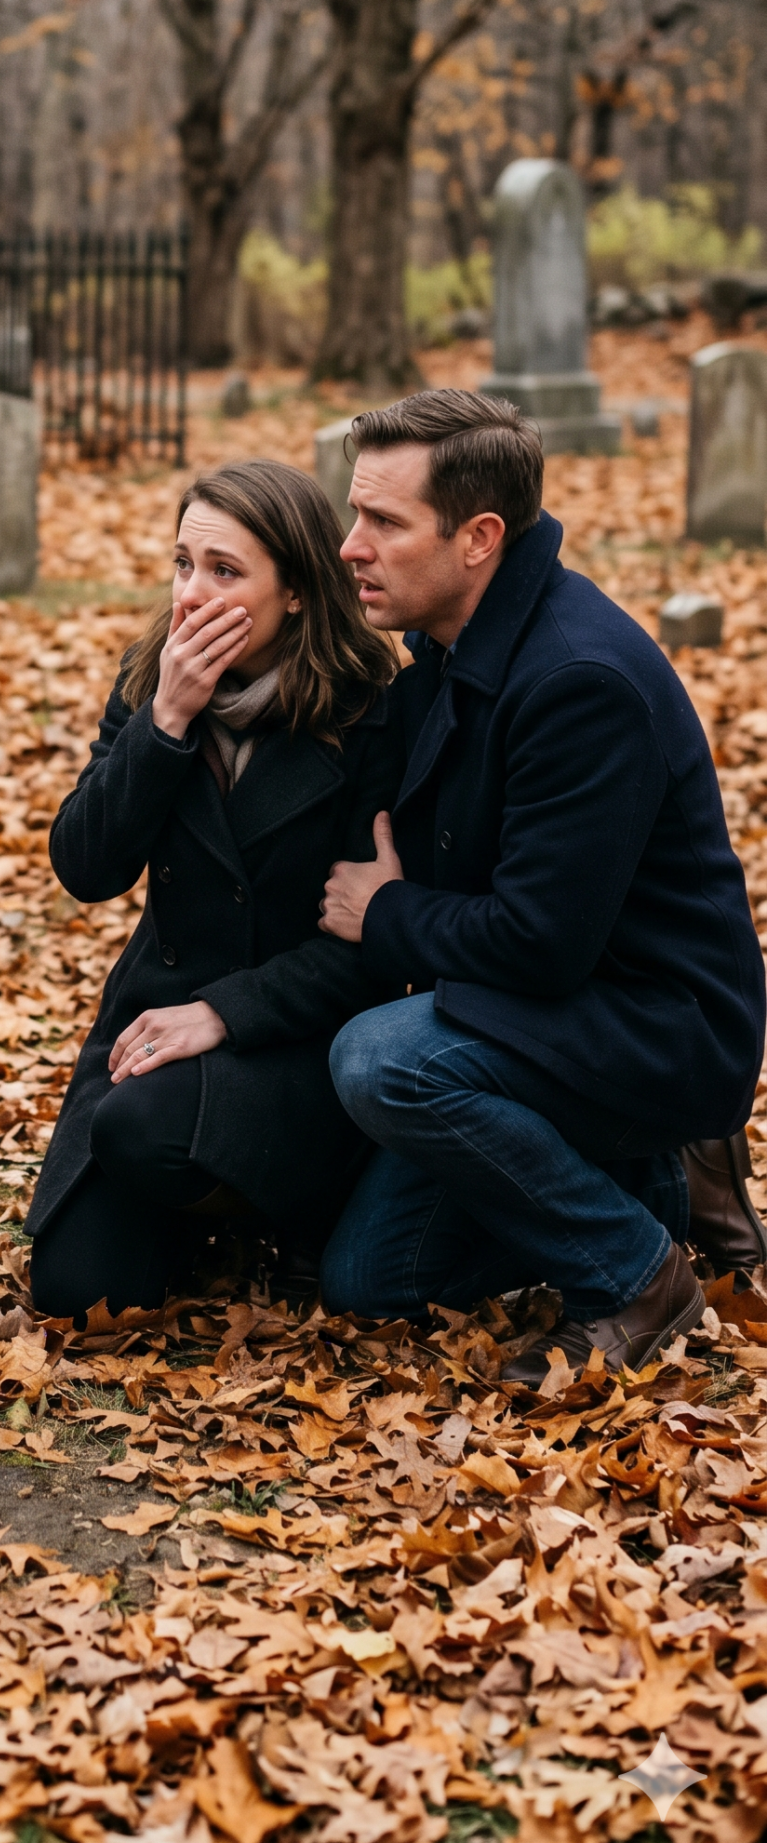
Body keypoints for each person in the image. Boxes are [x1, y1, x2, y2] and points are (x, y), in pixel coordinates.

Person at [317, 387, 767, 1383]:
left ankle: (639, 1278)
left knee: (380, 1062)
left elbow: (538, 942)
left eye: (383, 522)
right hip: (554, 1017)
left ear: (478, 536)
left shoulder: (575, 681)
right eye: (357, 514)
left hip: (658, 1025)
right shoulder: (450, 644)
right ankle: (652, 1183)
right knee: (368, 1279)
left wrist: (384, 911)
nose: (351, 544)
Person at [27, 458, 404, 1321]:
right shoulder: (154, 678)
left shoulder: (370, 711)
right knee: (78, 1296)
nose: (192, 594)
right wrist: (164, 723)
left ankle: (301, 1199)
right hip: (160, 1012)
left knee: (136, 1128)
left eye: (225, 572)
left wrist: (224, 1013)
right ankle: (216, 1212)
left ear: (299, 592)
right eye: (183, 564)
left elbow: (368, 951)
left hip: (301, 1036)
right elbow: (85, 870)